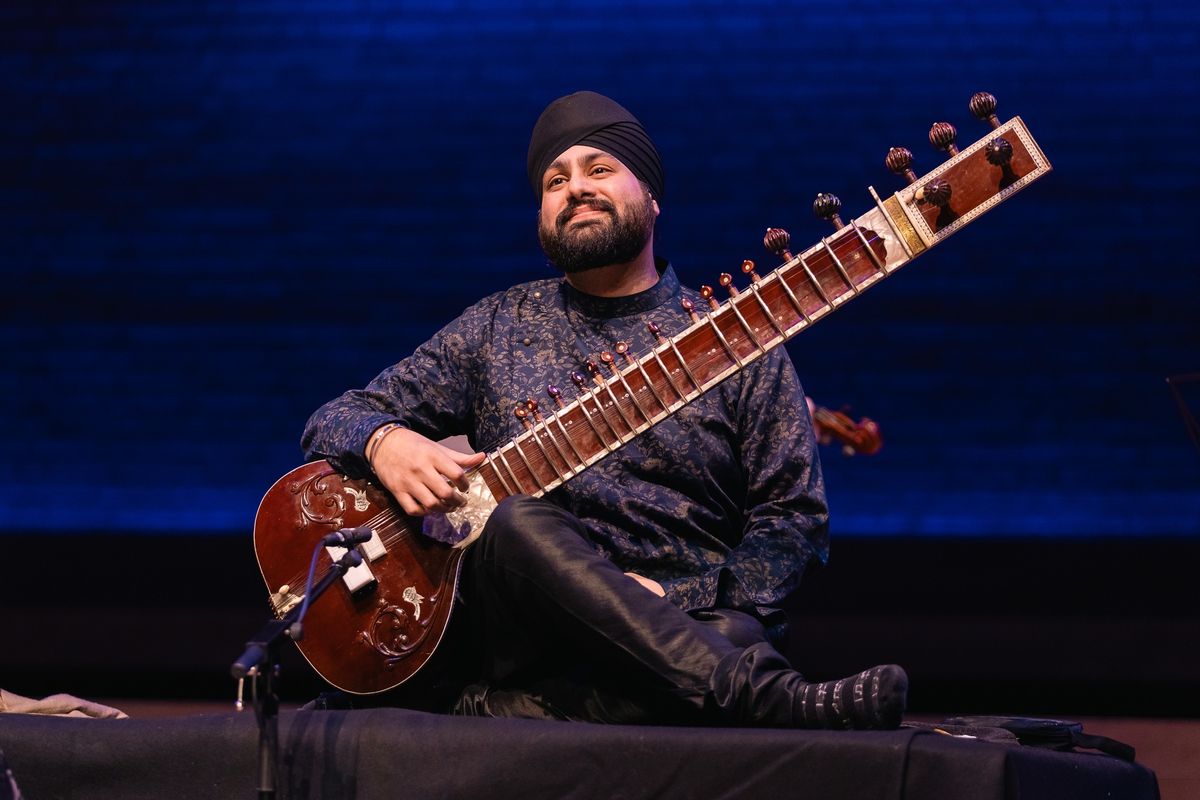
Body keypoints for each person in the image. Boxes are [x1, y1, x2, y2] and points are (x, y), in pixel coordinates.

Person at [301, 90, 907, 728]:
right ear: (541, 214)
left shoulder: (737, 339)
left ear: (652, 198)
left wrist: (668, 598)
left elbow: (792, 522)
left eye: (599, 169)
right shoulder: (496, 328)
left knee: (732, 633)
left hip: (687, 624)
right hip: (527, 629)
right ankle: (760, 697)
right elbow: (334, 418)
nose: (574, 189)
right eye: (555, 180)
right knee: (516, 525)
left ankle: (503, 709)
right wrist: (384, 442)